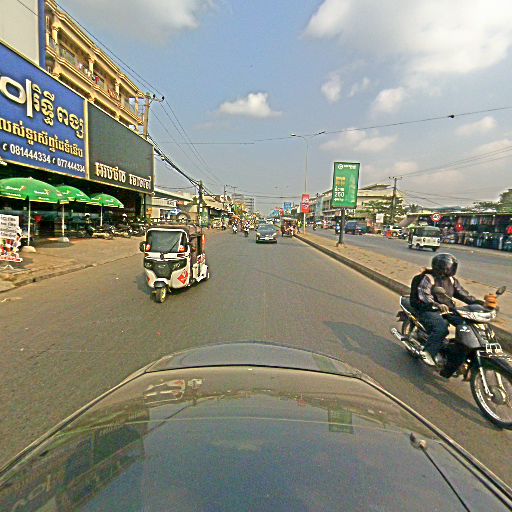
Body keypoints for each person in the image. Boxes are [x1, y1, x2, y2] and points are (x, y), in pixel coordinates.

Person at [410, 253, 481, 375]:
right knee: (441, 328)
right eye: (450, 267)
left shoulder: (451, 280)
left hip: (447, 310)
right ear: (442, 267)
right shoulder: (428, 278)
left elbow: (463, 294)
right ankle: (429, 352)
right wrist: (437, 305)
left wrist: (480, 304)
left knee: (466, 325)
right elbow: (424, 296)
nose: (452, 269)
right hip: (427, 309)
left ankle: (455, 355)